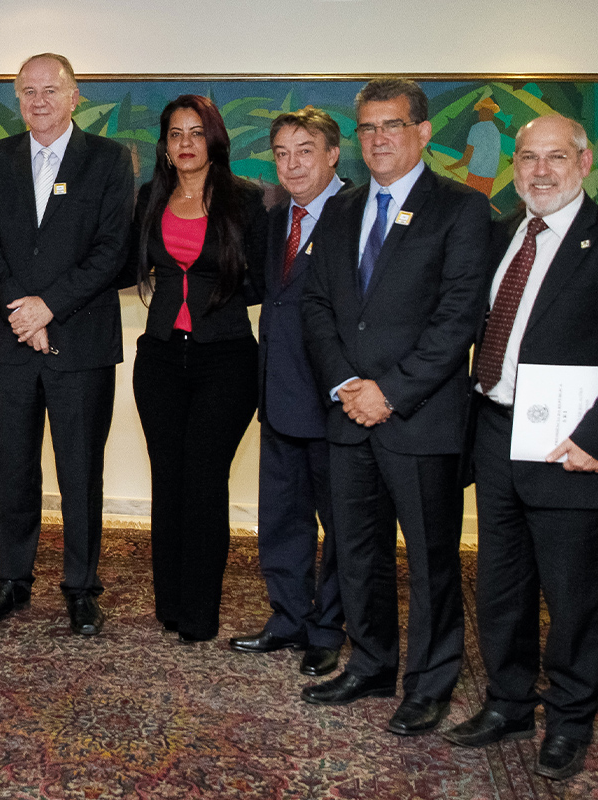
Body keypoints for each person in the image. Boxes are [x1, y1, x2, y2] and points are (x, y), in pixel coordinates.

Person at [300, 78, 491, 735]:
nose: (379, 139)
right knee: (356, 551)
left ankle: (431, 681)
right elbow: (318, 307)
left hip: (421, 417)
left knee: (433, 560)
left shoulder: (462, 209)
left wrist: (392, 390)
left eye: (392, 126)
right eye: (368, 128)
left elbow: (458, 315)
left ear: (423, 132)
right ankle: (373, 662)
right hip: (348, 414)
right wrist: (347, 386)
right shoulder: (341, 209)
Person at [443, 115, 598, 781]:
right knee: (501, 584)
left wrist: (595, 440)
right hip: (497, 432)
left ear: (583, 162)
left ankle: (569, 720)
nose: (539, 171)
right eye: (528, 158)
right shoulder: (506, 233)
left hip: (571, 445)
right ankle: (508, 702)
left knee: (572, 596)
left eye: (554, 157)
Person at [0, 53, 133, 636]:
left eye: (50, 90)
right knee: (13, 469)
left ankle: (82, 587)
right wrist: (21, 310)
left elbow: (113, 250)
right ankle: (12, 582)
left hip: (80, 343)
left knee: (80, 470)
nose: (38, 101)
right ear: (18, 99)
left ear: (74, 95)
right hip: (15, 344)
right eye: (27, 92)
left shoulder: (110, 160)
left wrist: (48, 308)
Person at [119, 95, 266, 643]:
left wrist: (214, 297)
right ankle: (171, 604)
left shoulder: (245, 200)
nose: (185, 143)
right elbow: (125, 266)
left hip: (225, 359)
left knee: (204, 482)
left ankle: (201, 612)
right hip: (159, 357)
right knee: (168, 480)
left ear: (214, 141)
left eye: (196, 133)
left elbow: (265, 282)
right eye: (175, 133)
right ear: (165, 145)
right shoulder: (149, 198)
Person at [229, 108, 347, 673]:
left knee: (342, 524)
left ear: (332, 153)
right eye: (281, 153)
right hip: (276, 393)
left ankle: (328, 628)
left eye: (305, 150)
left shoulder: (356, 214)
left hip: (336, 399)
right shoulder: (276, 217)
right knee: (281, 516)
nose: (292, 163)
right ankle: (288, 617)